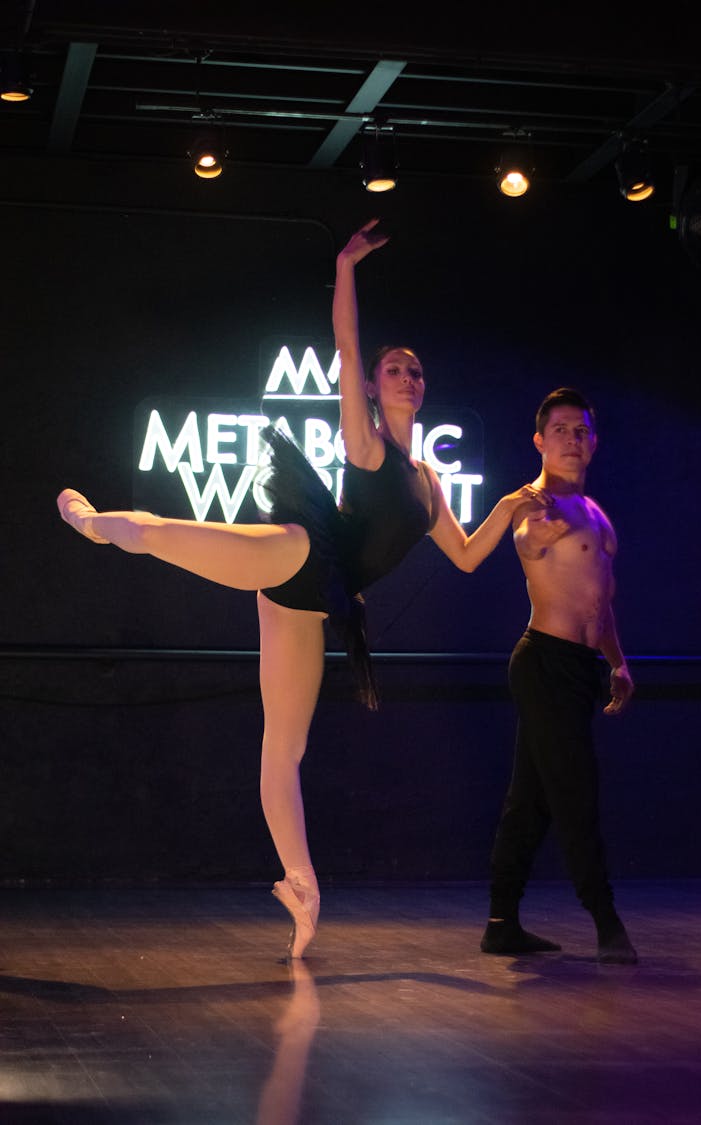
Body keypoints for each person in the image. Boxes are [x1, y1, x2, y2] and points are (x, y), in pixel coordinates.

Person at [56, 219, 546, 960]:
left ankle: (301, 886)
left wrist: (509, 505)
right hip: (299, 551)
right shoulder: (366, 441)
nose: (407, 378)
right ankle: (95, 523)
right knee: (168, 534)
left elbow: (471, 557)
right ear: (376, 391)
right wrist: (347, 265)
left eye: (415, 371)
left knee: (285, 746)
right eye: (395, 372)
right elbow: (347, 348)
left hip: (317, 603)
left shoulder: (431, 482)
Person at [481, 387, 637, 966]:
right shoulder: (535, 506)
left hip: (580, 667)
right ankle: (607, 921)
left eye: (582, 430)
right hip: (544, 662)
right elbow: (528, 540)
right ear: (540, 441)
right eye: (562, 429)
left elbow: (601, 601)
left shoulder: (596, 515)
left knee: (533, 800)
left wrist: (617, 661)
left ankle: (501, 923)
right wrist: (532, 540)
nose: (573, 438)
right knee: (575, 791)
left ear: (593, 442)